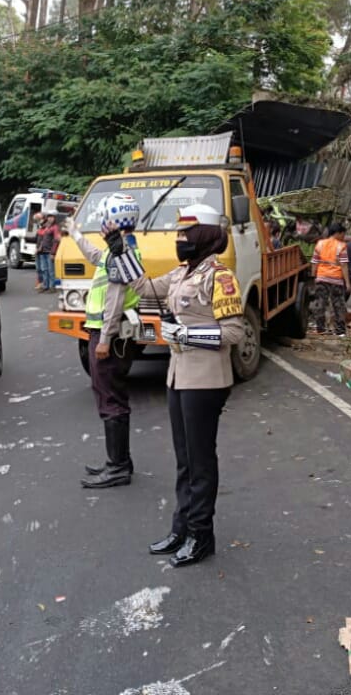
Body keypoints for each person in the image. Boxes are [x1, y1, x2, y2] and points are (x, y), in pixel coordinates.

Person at [106, 203, 245, 567]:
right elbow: (145, 286)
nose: (178, 240)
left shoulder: (221, 277)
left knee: (200, 461)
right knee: (184, 460)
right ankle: (181, 527)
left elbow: (234, 331)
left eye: (185, 235)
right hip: (179, 376)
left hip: (206, 379)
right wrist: (120, 250)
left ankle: (202, 535)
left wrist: (185, 332)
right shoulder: (184, 273)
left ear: (202, 237)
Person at [69, 193, 144, 490]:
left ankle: (118, 468)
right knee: (112, 395)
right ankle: (120, 462)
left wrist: (105, 339)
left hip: (107, 335)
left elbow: (114, 299)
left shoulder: (120, 253)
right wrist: (74, 233)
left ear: (112, 220)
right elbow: (96, 258)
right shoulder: (124, 251)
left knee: (109, 398)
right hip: (111, 333)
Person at [310, 223, 350, 336]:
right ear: (337, 233)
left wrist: (314, 276)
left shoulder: (320, 244)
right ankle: (340, 330)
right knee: (338, 304)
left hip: (321, 277)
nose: (343, 236)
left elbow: (314, 262)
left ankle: (320, 328)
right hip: (336, 279)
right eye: (343, 234)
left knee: (320, 303)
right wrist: (347, 282)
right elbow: (344, 265)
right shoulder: (341, 246)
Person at [35, 212, 61, 292]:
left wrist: (53, 253)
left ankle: (52, 287)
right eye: (49, 217)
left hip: (50, 252)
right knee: (44, 270)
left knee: (51, 270)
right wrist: (39, 248)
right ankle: (46, 286)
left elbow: (56, 240)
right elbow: (42, 239)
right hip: (43, 252)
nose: (50, 218)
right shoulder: (46, 227)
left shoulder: (55, 227)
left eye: (52, 217)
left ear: (54, 218)